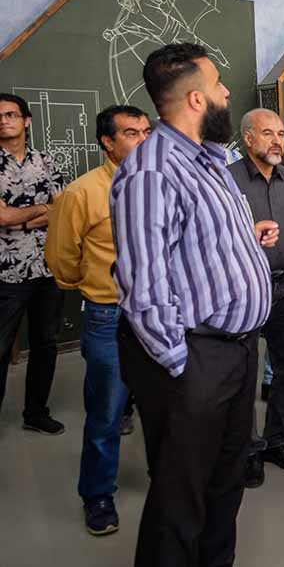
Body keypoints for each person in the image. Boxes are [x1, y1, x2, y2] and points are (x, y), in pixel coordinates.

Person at [111, 42, 275, 566]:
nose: (227, 92)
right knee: (180, 497)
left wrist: (246, 244)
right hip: (195, 357)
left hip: (236, 350)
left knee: (225, 483)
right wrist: (184, 367)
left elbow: (197, 246)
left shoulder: (211, 161)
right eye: (219, 84)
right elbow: (144, 286)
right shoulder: (152, 170)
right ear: (197, 99)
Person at [44, 104, 151, 535]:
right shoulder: (82, 193)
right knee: (107, 412)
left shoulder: (162, 184)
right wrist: (96, 285)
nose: (143, 140)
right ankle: (98, 495)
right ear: (107, 142)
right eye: (132, 133)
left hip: (160, 313)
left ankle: (168, 479)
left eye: (147, 132)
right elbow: (61, 259)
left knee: (165, 406)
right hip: (110, 315)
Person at [229, 109, 284, 484]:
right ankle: (248, 449)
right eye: (267, 133)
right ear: (247, 138)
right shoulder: (226, 182)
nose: (277, 140)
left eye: (280, 133)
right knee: (243, 372)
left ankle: (277, 440)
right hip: (243, 288)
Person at [0, 93, 66, 436]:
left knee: (45, 343)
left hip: (48, 266)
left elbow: (63, 209)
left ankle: (36, 412)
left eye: (11, 114)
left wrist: (21, 220)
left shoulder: (47, 160)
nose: (3, 120)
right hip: (6, 271)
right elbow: (1, 217)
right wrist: (40, 211)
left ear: (26, 120)